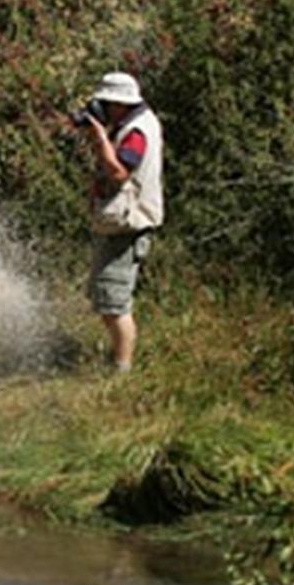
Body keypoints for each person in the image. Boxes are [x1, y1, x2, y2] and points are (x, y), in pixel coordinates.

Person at [74, 70, 164, 373]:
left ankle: (121, 371)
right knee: (107, 297)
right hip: (120, 223)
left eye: (106, 103)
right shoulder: (133, 124)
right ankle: (119, 362)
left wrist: (100, 138)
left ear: (119, 104)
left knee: (114, 304)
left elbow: (119, 172)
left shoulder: (136, 132)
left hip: (129, 225)